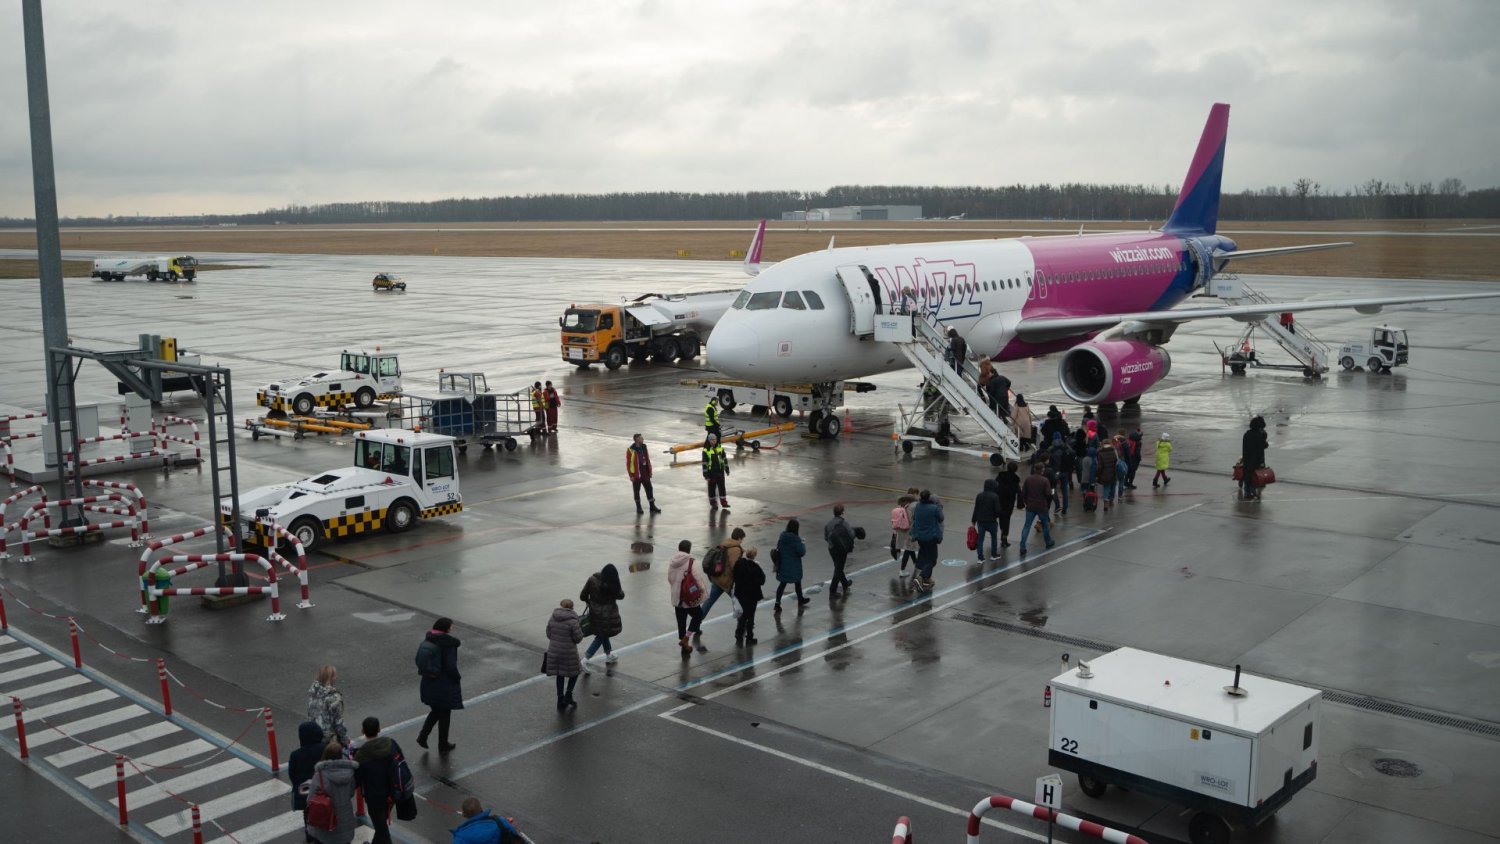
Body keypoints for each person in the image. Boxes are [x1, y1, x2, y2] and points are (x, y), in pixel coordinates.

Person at [353, 717, 404, 844]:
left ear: (363, 731)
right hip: (392, 793)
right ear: (379, 729)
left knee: (381, 828)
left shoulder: (361, 755)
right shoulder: (391, 743)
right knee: (381, 825)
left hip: (374, 797)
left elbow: (357, 780)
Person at [414, 617, 462, 752]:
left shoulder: (428, 640)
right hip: (443, 684)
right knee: (444, 713)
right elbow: (451, 666)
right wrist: (457, 677)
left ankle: (424, 737)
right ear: (446, 629)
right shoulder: (448, 644)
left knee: (437, 711)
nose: (452, 629)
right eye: (451, 627)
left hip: (428, 682)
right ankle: (442, 744)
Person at [306, 739, 359, 844]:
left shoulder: (320, 776)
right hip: (345, 818)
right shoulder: (349, 773)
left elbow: (310, 800)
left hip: (326, 822)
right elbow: (351, 793)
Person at [580, 564, 624, 667]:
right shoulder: (612, 583)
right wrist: (616, 584)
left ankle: (609, 654)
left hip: (594, 614)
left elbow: (583, 596)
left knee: (603, 633)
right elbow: (621, 595)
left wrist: (590, 602)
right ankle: (585, 659)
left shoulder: (592, 580)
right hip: (608, 616)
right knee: (602, 635)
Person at [543, 599, 584, 709]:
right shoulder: (573, 621)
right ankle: (568, 694)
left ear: (561, 606)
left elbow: (548, 633)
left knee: (559, 674)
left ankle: (560, 699)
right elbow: (578, 638)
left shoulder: (553, 617)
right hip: (568, 653)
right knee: (575, 673)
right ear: (572, 608)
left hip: (554, 651)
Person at [289, 721, 325, 841]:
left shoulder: (295, 755)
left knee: (308, 815)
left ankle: (310, 837)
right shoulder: (325, 748)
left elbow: (292, 775)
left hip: (306, 794)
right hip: (323, 792)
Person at [667, 540, 705, 653]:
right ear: (689, 549)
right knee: (698, 616)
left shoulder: (672, 561)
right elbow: (697, 579)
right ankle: (686, 638)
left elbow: (669, 578)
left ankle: (685, 645)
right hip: (688, 597)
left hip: (676, 596)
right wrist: (702, 591)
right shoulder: (691, 562)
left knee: (681, 622)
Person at [699, 527, 745, 617]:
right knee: (740, 602)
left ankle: (695, 624)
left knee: (709, 602)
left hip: (717, 579)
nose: (742, 541)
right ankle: (743, 623)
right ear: (739, 538)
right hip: (727, 582)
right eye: (742, 539)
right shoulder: (735, 549)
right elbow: (735, 567)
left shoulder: (725, 544)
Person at [305, 665, 348, 748]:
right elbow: (338, 721)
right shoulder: (333, 697)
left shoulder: (313, 690)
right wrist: (345, 740)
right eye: (335, 675)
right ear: (331, 678)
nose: (336, 677)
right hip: (327, 738)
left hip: (313, 733)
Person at [910, 490, 944, 590]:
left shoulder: (918, 506)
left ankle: (926, 579)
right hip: (930, 537)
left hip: (920, 536)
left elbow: (914, 517)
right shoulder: (934, 508)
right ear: (929, 497)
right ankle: (921, 577)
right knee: (932, 559)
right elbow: (941, 518)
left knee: (925, 557)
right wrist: (939, 508)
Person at [1018, 463, 1055, 555]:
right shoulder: (1045, 480)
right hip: (1042, 506)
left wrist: (1027, 502)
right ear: (1042, 470)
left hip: (1030, 506)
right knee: (1045, 525)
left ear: (1034, 469)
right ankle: (1048, 542)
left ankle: (1022, 546)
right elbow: (1048, 494)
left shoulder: (1028, 479)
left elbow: (1023, 493)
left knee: (1027, 526)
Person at [773, 519, 810, 611]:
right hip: (794, 566)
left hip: (783, 565)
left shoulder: (782, 537)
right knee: (797, 582)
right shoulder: (797, 540)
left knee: (782, 584)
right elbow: (801, 552)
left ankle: (777, 603)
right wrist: (803, 543)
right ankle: (800, 599)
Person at [450, 797, 522, 844]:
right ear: (481, 809)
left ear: (464, 815)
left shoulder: (461, 837)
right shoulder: (499, 821)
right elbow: (515, 836)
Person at [733, 545, 766, 645]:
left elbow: (734, 575)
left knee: (744, 613)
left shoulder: (739, 563)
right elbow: (762, 581)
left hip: (740, 593)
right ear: (754, 556)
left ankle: (740, 633)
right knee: (750, 615)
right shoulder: (756, 567)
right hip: (752, 595)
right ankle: (748, 636)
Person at [823, 504, 856, 598]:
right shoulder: (844, 523)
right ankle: (832, 590)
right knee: (838, 569)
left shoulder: (828, 524)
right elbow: (852, 535)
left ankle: (845, 583)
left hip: (831, 549)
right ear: (842, 512)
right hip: (841, 549)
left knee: (838, 566)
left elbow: (825, 537)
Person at [626, 433, 661, 514]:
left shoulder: (644, 447)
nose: (643, 439)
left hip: (645, 473)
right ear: (637, 440)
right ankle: (639, 507)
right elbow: (628, 464)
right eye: (641, 438)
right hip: (636, 475)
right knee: (636, 491)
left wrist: (650, 471)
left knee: (649, 489)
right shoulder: (630, 450)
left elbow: (647, 459)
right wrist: (631, 475)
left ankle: (652, 506)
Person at [970, 479, 1001, 562]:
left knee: (980, 539)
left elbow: (976, 508)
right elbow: (998, 510)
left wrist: (974, 520)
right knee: (994, 538)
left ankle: (980, 558)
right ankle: (993, 555)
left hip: (981, 521)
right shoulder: (995, 496)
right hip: (991, 521)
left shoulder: (979, 495)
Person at [994, 462, 1020, 548]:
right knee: (1006, 520)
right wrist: (1020, 504)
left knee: (997, 518)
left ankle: (994, 536)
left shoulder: (1000, 476)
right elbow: (1019, 492)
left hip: (999, 501)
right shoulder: (1015, 479)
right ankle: (1004, 538)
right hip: (1009, 504)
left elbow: (994, 487)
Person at [890, 489, 917, 573]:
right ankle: (902, 570)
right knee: (908, 549)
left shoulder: (901, 506)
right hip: (909, 531)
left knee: (910, 548)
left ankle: (916, 564)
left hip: (901, 531)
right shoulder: (911, 507)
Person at [1242, 415, 1268, 499]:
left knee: (1248, 475)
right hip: (1256, 459)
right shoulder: (1259, 435)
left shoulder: (1247, 434)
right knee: (1255, 476)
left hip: (1247, 458)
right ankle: (1252, 491)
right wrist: (1261, 461)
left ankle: (1247, 491)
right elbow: (1261, 448)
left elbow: (1245, 447)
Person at [702, 432, 730, 510]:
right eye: (712, 440)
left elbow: (724, 459)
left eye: (715, 439)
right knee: (711, 489)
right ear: (709, 440)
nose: (713, 441)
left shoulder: (720, 449)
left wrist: (726, 468)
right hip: (711, 473)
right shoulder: (706, 451)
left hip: (720, 472)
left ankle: (724, 502)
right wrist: (705, 474)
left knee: (722, 488)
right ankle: (713, 503)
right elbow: (704, 463)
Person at [1049, 433, 1075, 515]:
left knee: (1052, 489)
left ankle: (1057, 505)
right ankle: (1065, 508)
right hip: (1065, 472)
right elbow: (1072, 454)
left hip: (1055, 472)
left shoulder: (1051, 448)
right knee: (1065, 491)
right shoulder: (1066, 446)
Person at [1096, 437, 1119, 512]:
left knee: (1106, 488)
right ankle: (1111, 500)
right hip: (1113, 473)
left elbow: (1099, 467)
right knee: (1113, 487)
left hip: (1104, 474)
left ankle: (1106, 504)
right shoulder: (1113, 451)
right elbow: (1117, 462)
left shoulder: (1100, 453)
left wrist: (1097, 475)